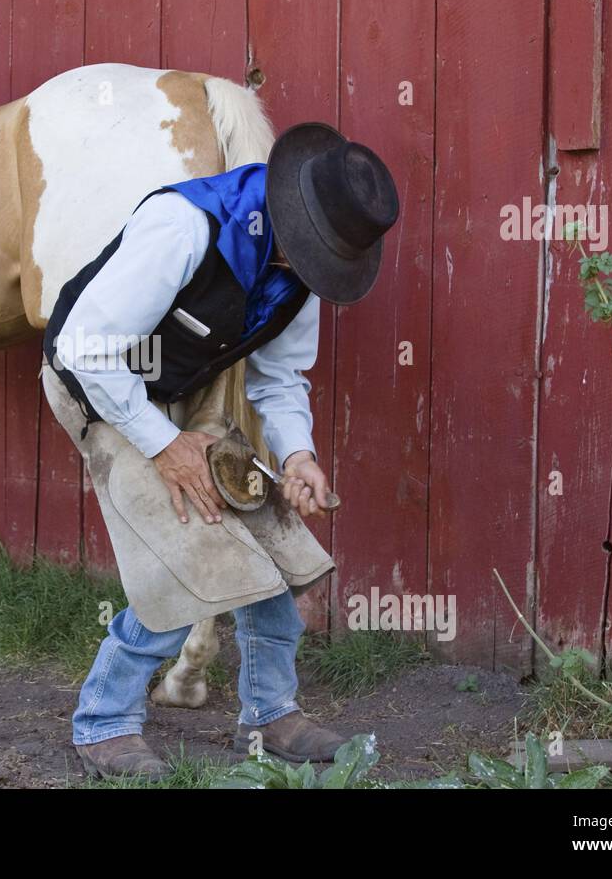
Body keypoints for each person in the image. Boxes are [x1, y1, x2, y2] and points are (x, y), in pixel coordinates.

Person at [42, 122, 399, 779]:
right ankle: (104, 721)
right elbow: (84, 351)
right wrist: (163, 444)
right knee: (194, 548)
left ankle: (270, 713)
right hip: (95, 384)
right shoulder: (185, 228)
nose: (312, 273)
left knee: (274, 536)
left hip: (187, 395)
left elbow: (278, 378)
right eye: (314, 256)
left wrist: (297, 457)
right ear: (291, 213)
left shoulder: (301, 270)